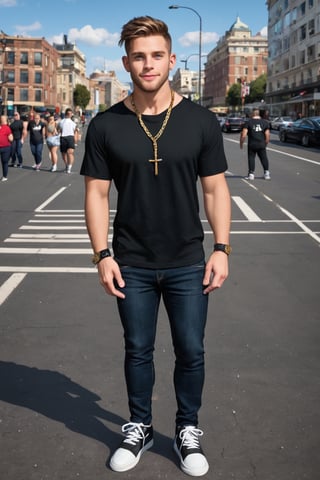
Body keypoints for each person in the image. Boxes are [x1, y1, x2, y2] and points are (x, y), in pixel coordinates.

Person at [80, 16, 231, 477]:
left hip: (188, 260)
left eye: (157, 55)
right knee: (138, 349)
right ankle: (140, 425)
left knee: (191, 350)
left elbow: (215, 190)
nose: (148, 64)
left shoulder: (201, 121)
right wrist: (102, 256)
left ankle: (188, 428)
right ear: (127, 62)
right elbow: (96, 194)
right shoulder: (106, 125)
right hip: (132, 262)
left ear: (170, 59)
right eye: (139, 56)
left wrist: (221, 247)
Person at [240, 108, 271, 180]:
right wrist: (266, 143)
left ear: (253, 114)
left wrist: (241, 143)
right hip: (261, 143)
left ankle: (251, 174)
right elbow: (267, 135)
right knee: (264, 158)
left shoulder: (248, 122)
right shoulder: (265, 122)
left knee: (251, 158)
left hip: (252, 144)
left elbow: (244, 134)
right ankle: (266, 173)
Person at [58, 108, 78, 173]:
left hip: (70, 138)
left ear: (71, 114)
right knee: (63, 154)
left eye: (70, 113)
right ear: (65, 114)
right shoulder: (61, 121)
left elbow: (75, 132)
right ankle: (67, 165)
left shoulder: (73, 123)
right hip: (63, 138)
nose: (69, 115)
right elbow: (59, 130)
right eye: (68, 113)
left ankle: (69, 167)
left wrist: (75, 140)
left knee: (70, 152)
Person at [0, 114, 13, 181]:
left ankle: (5, 176)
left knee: (4, 161)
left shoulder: (7, 128)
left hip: (5, 148)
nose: (2, 120)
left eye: (3, 119)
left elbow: (11, 138)